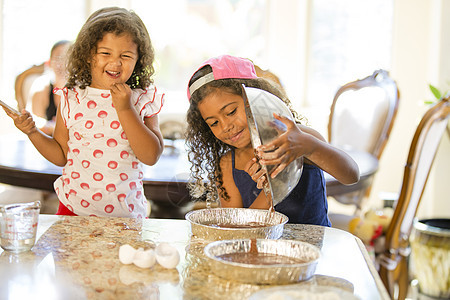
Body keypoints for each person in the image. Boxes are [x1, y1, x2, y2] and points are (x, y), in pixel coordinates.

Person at [2, 7, 164, 218]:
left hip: (125, 217)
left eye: (126, 55)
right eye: (105, 53)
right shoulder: (72, 98)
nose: (115, 62)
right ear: (88, 55)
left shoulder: (143, 99)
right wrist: (32, 132)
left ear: (138, 59)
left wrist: (125, 108)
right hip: (73, 210)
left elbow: (151, 155)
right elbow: (61, 155)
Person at [185, 55, 359, 226]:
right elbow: (237, 228)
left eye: (231, 112)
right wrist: (274, 184)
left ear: (255, 98)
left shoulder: (298, 140)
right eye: (214, 123)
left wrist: (309, 147)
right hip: (258, 251)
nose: (225, 126)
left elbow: (350, 175)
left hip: (312, 250)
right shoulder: (226, 166)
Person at [29, 40, 72, 135]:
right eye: (58, 58)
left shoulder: (82, 90)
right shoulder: (42, 88)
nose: (63, 64)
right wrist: (49, 127)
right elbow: (33, 121)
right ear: (49, 62)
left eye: (68, 58)